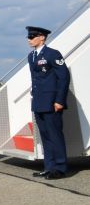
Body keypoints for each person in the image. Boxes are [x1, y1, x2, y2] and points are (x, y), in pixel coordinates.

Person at [26, 26, 70, 180]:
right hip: (39, 102)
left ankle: (60, 168)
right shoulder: (31, 56)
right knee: (45, 136)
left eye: (32, 36)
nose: (29, 39)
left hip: (52, 103)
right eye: (29, 37)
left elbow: (64, 77)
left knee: (55, 135)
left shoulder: (52, 54)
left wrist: (59, 100)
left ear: (42, 37)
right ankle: (49, 167)